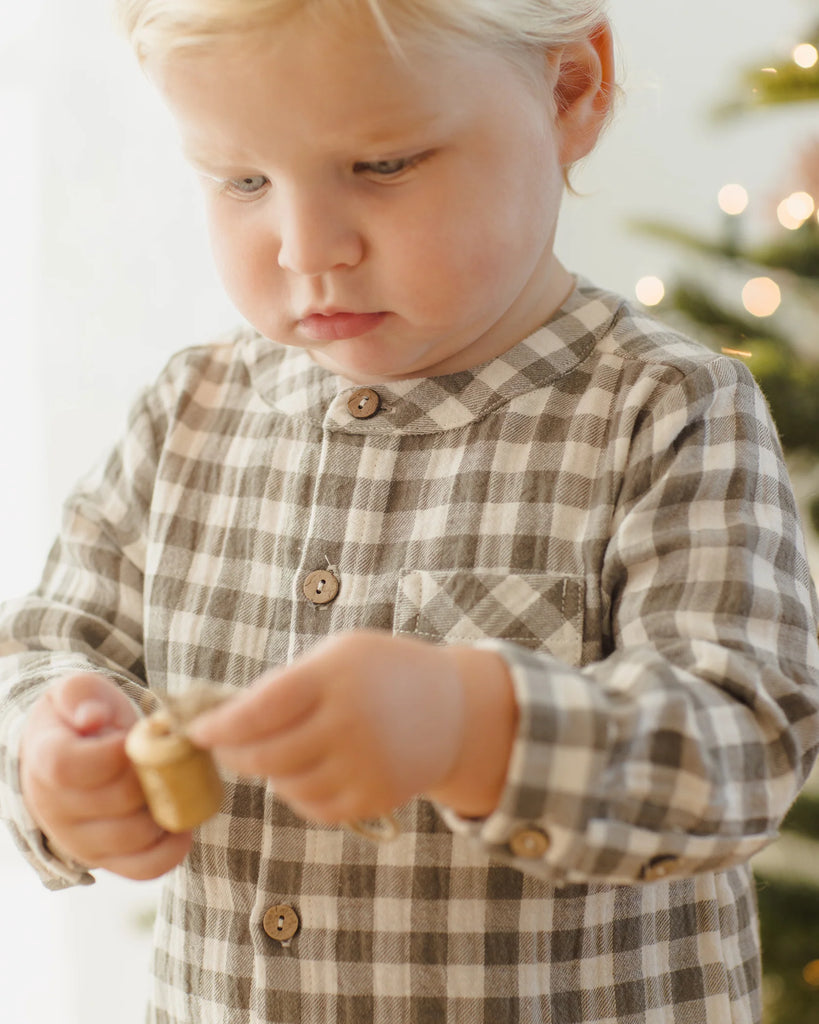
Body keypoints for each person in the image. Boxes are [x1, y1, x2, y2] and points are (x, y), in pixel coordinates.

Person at [1, 0, 818, 1021]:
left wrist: (473, 726)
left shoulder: (666, 411)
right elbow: (46, 644)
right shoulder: (190, 409)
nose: (309, 248)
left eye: (383, 165)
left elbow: (745, 749)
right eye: (243, 179)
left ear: (569, 92)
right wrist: (53, 745)